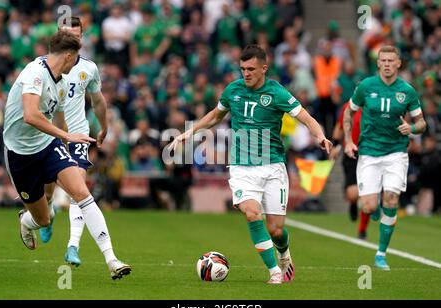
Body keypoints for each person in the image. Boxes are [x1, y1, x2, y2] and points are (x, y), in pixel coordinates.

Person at [169, 44, 332, 284]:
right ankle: (274, 272)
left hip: (273, 165)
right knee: (253, 214)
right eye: (243, 68)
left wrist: (320, 136)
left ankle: (284, 253)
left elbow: (305, 117)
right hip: (242, 167)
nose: (246, 73)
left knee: (276, 230)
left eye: (251, 69)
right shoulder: (233, 90)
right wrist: (187, 133)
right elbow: (215, 115)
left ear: (264, 68)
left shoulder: (277, 93)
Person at [3, 31, 131, 280]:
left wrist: (64, 140)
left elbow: (58, 115)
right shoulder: (34, 73)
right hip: (20, 155)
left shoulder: (61, 81)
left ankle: (111, 259)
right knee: (43, 218)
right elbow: (30, 115)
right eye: (77, 57)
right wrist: (67, 135)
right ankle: (27, 222)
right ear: (69, 56)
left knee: (82, 193)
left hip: (49, 146)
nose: (78, 63)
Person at [344, 45, 426, 270]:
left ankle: (381, 253)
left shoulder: (407, 91)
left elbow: (422, 123)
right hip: (369, 152)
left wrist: (412, 129)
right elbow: (348, 112)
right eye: (384, 60)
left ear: (398, 63)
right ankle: (375, 207)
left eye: (392, 60)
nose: (387, 64)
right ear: (378, 63)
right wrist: (348, 141)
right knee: (368, 207)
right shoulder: (366, 86)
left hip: (396, 153)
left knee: (391, 199)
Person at [38, 17, 109, 269]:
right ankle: (47, 214)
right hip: (51, 134)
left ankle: (73, 245)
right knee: (47, 193)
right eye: (68, 34)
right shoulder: (44, 66)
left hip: (78, 134)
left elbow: (98, 100)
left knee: (78, 190)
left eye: (77, 35)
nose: (73, 39)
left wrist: (104, 127)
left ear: (82, 37)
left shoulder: (88, 68)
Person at [329, 102, 370, 239]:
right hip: (351, 154)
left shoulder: (375, 107)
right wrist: (335, 145)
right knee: (353, 194)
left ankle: (362, 230)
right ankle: (353, 203)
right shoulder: (349, 107)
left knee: (367, 196)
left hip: (370, 155)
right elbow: (340, 126)